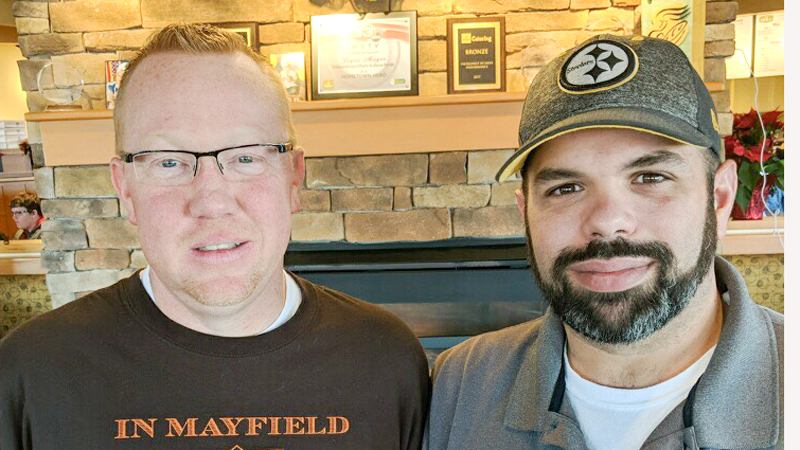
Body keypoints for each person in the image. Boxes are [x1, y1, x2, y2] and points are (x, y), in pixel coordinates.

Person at [0, 24, 429, 449]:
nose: (212, 201)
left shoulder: (385, 359)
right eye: (168, 162)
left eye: (245, 156)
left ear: (294, 177)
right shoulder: (31, 373)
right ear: (125, 188)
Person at [424, 35, 783, 450]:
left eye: (650, 178)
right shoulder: (460, 383)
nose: (607, 222)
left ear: (719, 198)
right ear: (526, 213)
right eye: (566, 188)